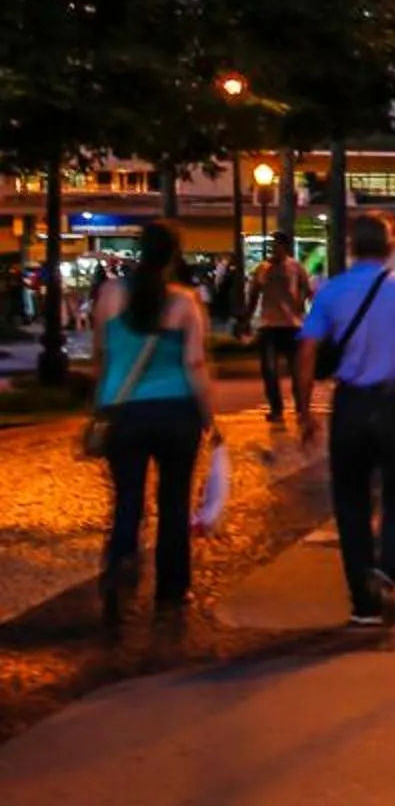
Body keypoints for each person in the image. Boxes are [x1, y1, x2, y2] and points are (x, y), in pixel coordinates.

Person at [295, 212, 395, 628]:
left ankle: (362, 601)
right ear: (390, 245)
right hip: (394, 402)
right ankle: (389, 572)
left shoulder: (330, 291)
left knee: (350, 500)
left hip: (350, 405)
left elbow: (307, 353)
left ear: (350, 246)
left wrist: (304, 411)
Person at [92, 222, 217, 629]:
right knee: (174, 502)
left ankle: (120, 563)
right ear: (173, 256)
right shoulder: (184, 302)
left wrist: (102, 403)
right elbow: (195, 363)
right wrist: (208, 417)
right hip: (176, 411)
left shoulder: (110, 295)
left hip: (123, 410)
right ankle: (171, 589)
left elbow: (101, 353)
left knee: (127, 498)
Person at [250, 233, 312, 425]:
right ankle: (276, 409)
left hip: (292, 325)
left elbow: (307, 290)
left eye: (277, 245)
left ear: (285, 247)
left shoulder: (296, 267)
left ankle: (301, 409)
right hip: (269, 325)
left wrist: (303, 306)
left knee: (297, 370)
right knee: (269, 370)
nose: (273, 249)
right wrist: (247, 317)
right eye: (271, 245)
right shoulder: (263, 268)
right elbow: (253, 293)